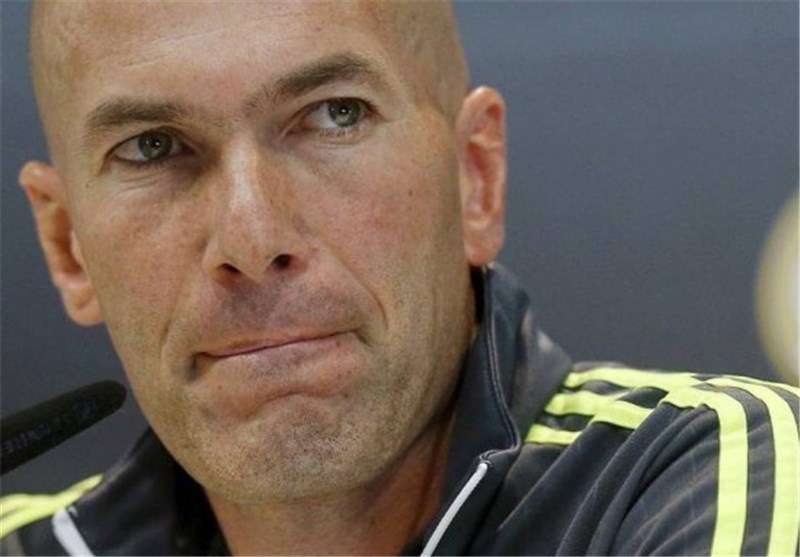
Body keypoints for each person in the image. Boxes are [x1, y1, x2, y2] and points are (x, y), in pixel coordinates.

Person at [1, 1, 797, 555]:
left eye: (334, 114)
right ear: (68, 245)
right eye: (152, 147)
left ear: (475, 178)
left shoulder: (714, 476)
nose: (251, 238)